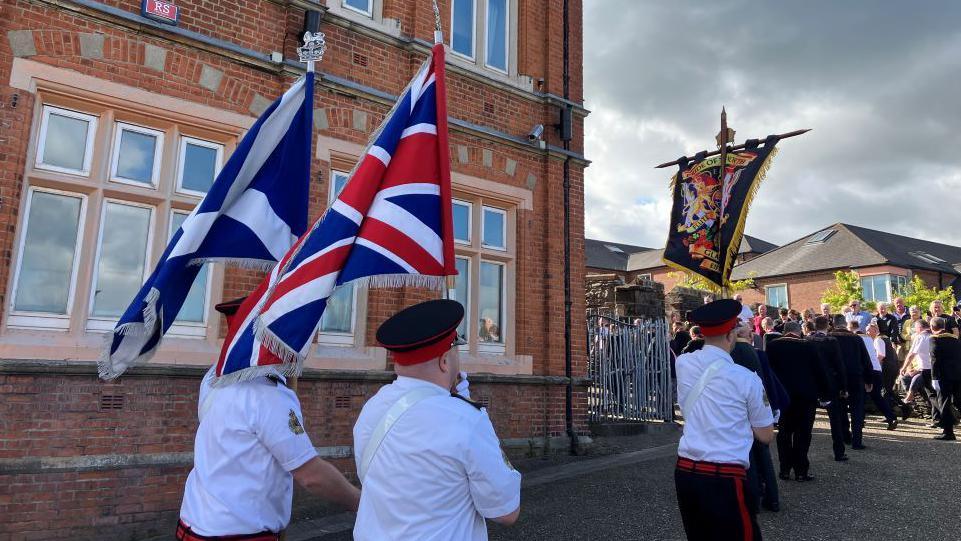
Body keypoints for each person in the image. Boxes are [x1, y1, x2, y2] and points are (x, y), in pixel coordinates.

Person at [177, 299, 360, 540]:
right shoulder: (268, 394)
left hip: (193, 525)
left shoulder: (214, 375)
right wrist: (363, 503)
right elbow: (311, 475)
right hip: (238, 534)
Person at [352, 299, 521, 540]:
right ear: (444, 361)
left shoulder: (372, 408)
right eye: (456, 352)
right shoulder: (467, 419)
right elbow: (505, 511)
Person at [674, 299, 775, 540]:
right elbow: (766, 434)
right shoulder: (747, 379)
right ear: (732, 335)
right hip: (725, 474)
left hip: (686, 469)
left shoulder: (684, 363)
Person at [767, 322, 828, 482]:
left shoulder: (773, 346)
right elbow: (819, 371)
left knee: (784, 432)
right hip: (805, 396)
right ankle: (801, 470)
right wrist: (825, 393)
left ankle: (785, 469)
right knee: (803, 433)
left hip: (783, 396)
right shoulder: (808, 346)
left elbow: (769, 371)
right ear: (798, 332)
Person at [731, 323, 780, 513]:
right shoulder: (752, 351)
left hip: (746, 407)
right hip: (758, 404)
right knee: (763, 453)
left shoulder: (737, 350)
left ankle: (754, 496)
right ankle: (772, 497)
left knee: (750, 454)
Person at [807, 316, 849, 461]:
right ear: (828, 326)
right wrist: (843, 386)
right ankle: (839, 451)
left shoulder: (808, 341)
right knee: (835, 419)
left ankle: (803, 455)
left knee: (808, 419)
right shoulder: (831, 341)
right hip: (830, 383)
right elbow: (839, 364)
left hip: (812, 383)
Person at [829, 314, 873, 450]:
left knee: (839, 409)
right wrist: (869, 379)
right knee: (857, 409)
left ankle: (844, 436)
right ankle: (857, 441)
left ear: (834, 324)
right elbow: (866, 360)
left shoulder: (830, 338)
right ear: (845, 323)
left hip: (836, 378)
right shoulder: (856, 338)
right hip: (855, 376)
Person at [858, 323, 898, 430]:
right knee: (877, 397)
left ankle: (860, 420)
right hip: (877, 370)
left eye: (869, 330)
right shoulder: (872, 341)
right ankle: (891, 417)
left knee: (862, 396)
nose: (867, 332)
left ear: (875, 331)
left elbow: (881, 355)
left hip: (873, 370)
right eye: (866, 330)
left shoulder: (876, 340)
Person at [902, 319, 938, 427]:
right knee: (933, 395)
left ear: (919, 327)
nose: (915, 330)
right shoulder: (933, 336)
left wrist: (903, 367)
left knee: (932, 395)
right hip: (934, 369)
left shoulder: (920, 337)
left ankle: (908, 399)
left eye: (915, 328)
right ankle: (937, 419)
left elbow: (911, 354)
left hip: (926, 369)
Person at [929, 317, 961, 440]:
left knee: (944, 403)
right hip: (957, 374)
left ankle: (948, 432)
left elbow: (934, 359)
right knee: (958, 401)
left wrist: (934, 377)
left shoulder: (934, 339)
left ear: (932, 327)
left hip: (943, 375)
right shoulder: (955, 339)